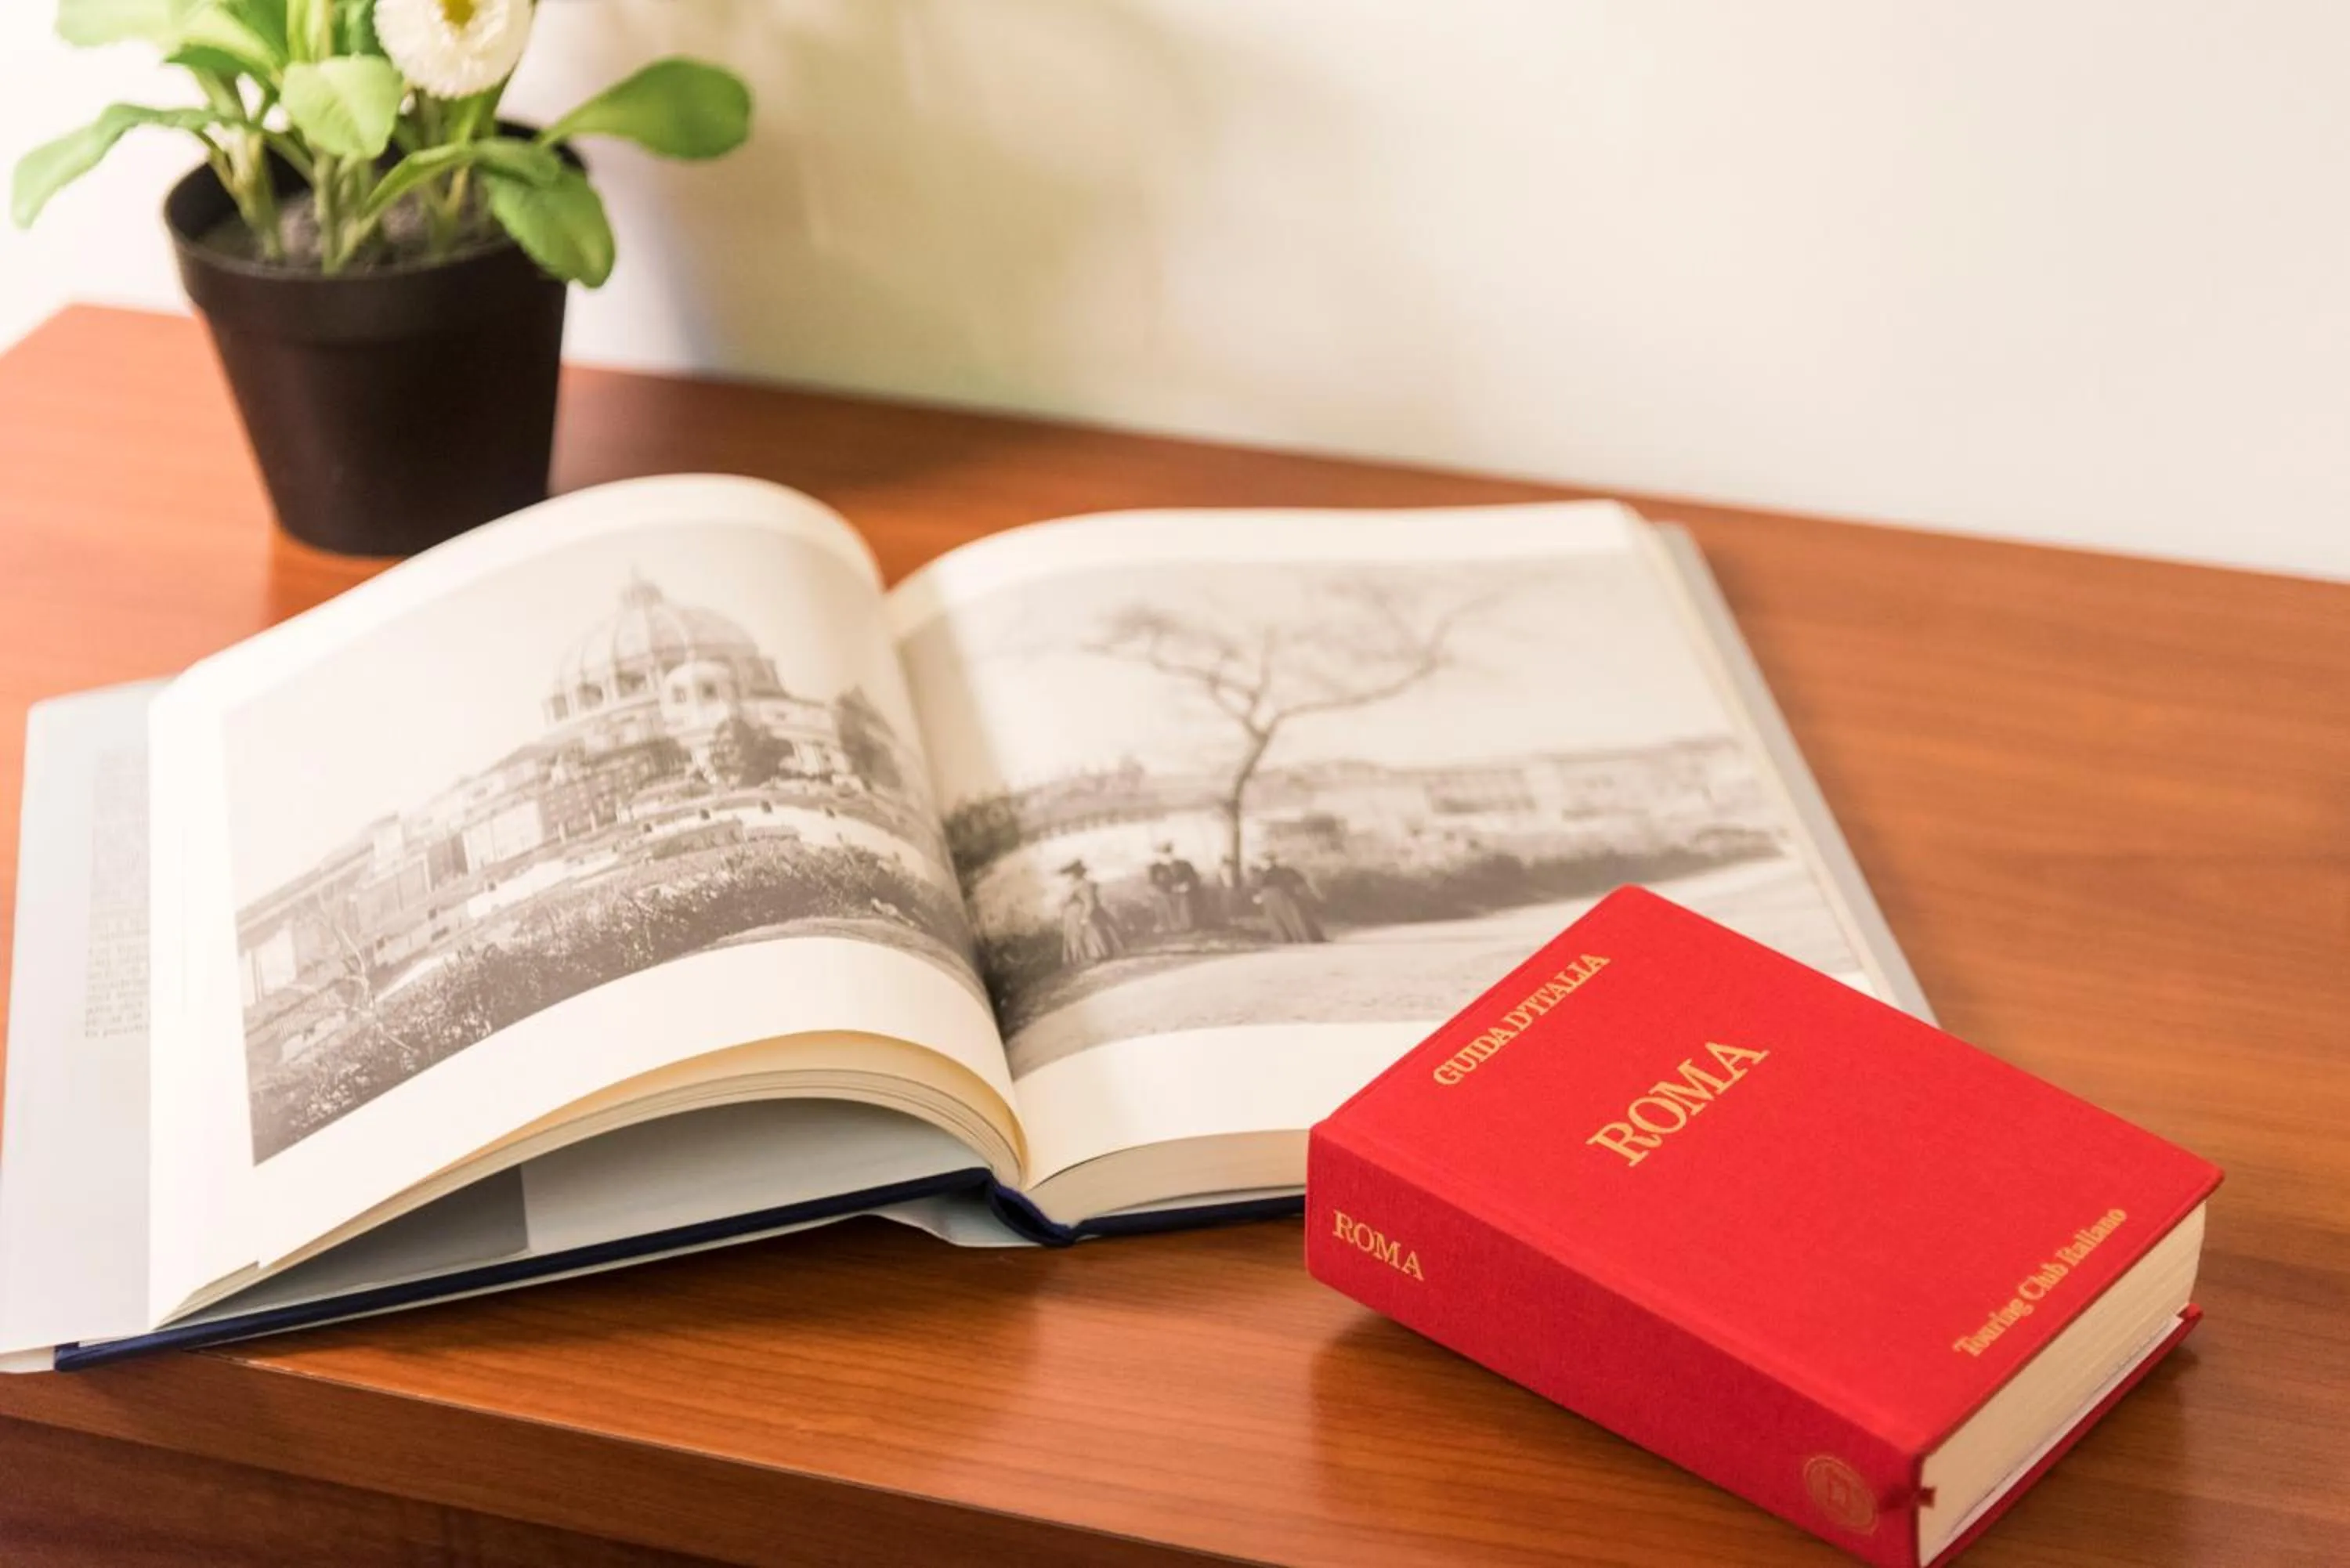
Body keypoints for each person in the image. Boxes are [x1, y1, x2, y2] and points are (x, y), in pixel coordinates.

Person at [1058, 858, 1125, 966]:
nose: (1071, 876)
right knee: (1083, 936)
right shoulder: (1074, 885)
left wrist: (1085, 916)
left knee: (1092, 935)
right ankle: (1087, 958)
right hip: (1075, 916)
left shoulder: (1084, 884)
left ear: (1078, 873)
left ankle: (1099, 956)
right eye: (1070, 874)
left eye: (1072, 873)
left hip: (1084, 914)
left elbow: (1089, 901)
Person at [1253, 853, 1325, 944]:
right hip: (1281, 899)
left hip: (1285, 898)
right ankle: (1292, 937)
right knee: (1290, 919)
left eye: (1267, 861)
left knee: (1293, 919)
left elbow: (1298, 882)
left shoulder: (1280, 872)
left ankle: (1291, 938)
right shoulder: (1268, 874)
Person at [1146, 842, 1203, 934]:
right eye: (1162, 854)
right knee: (1163, 900)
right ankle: (1166, 925)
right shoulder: (1155, 868)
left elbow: (1194, 879)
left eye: (1168, 853)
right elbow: (1152, 884)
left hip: (1181, 893)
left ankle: (1185, 925)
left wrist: (1186, 885)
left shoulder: (1184, 865)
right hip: (1163, 894)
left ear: (1172, 853)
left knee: (1184, 900)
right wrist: (1159, 890)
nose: (1166, 857)